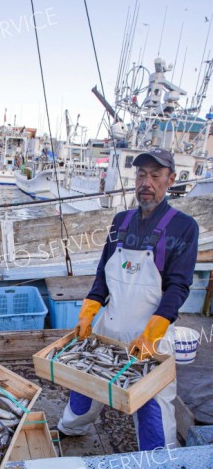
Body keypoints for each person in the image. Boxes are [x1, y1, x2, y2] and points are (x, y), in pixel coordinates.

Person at [57, 148, 199, 452]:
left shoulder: (184, 227)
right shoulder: (120, 222)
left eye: (155, 175)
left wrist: (151, 335)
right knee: (83, 389)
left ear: (170, 180)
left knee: (152, 408)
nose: (146, 182)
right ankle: (69, 429)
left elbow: (178, 287)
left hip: (151, 338)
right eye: (141, 174)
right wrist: (88, 314)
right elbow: (102, 278)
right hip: (108, 331)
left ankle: (159, 468)